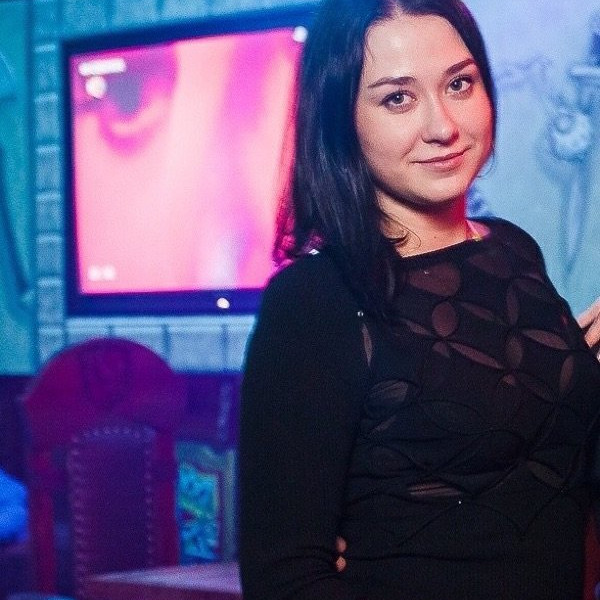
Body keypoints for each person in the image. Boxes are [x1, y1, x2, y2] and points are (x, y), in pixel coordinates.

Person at [239, 0, 600, 598]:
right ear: (341, 120)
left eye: (459, 84)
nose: (443, 126)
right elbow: (286, 577)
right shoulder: (314, 301)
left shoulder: (513, 250)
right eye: (398, 99)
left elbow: (554, 479)